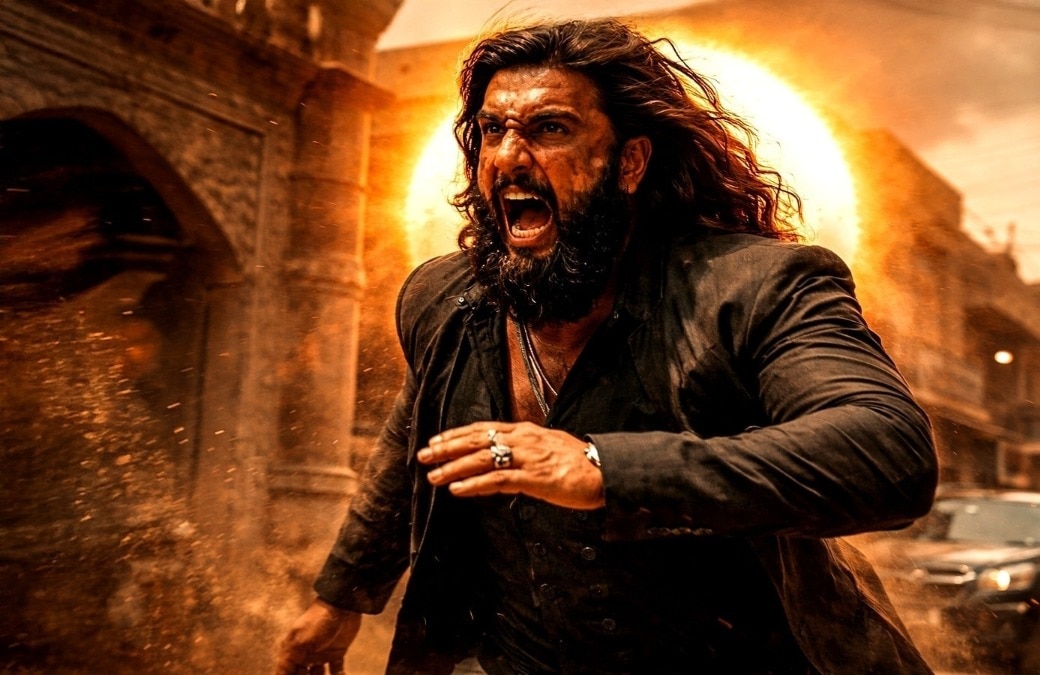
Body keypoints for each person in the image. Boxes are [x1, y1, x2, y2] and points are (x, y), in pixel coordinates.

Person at [276, 17, 938, 675]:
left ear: (629, 162)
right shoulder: (442, 297)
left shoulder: (755, 288)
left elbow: (887, 451)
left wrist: (605, 468)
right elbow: (416, 441)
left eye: (550, 129)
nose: (507, 157)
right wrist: (341, 596)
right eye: (492, 130)